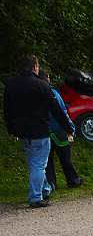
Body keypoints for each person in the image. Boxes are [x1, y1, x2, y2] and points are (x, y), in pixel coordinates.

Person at [3, 54, 74, 207]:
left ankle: (45, 189)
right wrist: (68, 128)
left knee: (34, 162)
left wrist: (11, 129)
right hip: (39, 130)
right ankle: (36, 197)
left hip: (22, 131)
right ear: (35, 67)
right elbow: (56, 110)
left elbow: (7, 110)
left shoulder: (11, 84)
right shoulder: (42, 86)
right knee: (39, 164)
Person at [40, 73, 82, 191]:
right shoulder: (54, 93)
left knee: (48, 160)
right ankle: (73, 180)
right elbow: (62, 112)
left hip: (45, 131)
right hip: (60, 131)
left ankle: (51, 183)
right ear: (47, 79)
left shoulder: (36, 94)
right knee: (65, 158)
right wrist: (71, 128)